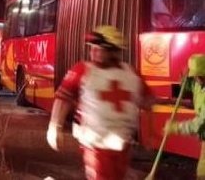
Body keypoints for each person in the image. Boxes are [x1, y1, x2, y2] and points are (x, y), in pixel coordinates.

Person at [46, 25, 153, 180]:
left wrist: (149, 135)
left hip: (123, 144)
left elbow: (147, 103)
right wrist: (54, 127)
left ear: (114, 51)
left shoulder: (132, 74)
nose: (94, 51)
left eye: (100, 48)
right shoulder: (82, 70)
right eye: (92, 47)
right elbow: (63, 99)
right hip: (95, 145)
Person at [164, 54, 205, 179]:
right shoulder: (198, 83)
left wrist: (177, 128)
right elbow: (187, 86)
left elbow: (200, 123)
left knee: (202, 173)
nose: (198, 79)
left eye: (200, 76)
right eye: (195, 76)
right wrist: (184, 78)